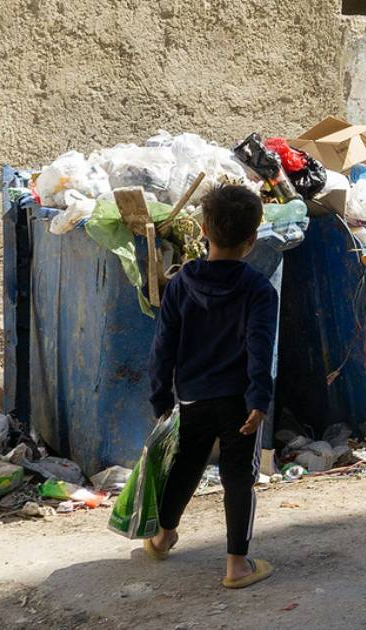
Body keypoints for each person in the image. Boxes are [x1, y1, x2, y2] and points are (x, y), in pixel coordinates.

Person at [145, 184, 277, 589]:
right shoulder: (259, 290)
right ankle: (237, 565)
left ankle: (163, 537)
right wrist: (259, 400)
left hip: (193, 397)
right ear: (252, 239)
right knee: (238, 477)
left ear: (203, 229)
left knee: (186, 464)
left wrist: (161, 398)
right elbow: (260, 349)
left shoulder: (181, 284)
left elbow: (162, 347)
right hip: (238, 401)